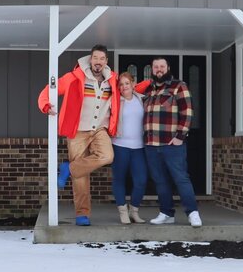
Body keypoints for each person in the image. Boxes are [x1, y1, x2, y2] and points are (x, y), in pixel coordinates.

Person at [37, 44, 119, 227]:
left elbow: (131, 86)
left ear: (106, 61)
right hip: (78, 130)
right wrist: (45, 105)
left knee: (107, 156)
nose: (98, 62)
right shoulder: (75, 77)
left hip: (100, 129)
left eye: (102, 59)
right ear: (91, 59)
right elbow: (49, 90)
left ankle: (69, 168)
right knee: (81, 176)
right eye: (95, 58)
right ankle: (82, 214)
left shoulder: (113, 80)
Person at [142, 57, 202, 227]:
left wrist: (180, 136)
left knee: (181, 178)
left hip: (171, 143)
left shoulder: (178, 86)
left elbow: (187, 112)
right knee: (160, 180)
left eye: (162, 66)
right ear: (152, 69)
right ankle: (166, 213)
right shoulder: (148, 90)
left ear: (167, 68)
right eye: (155, 67)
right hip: (151, 144)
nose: (159, 69)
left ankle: (192, 213)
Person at [111, 72, 148, 224]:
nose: (124, 86)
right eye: (121, 84)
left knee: (141, 180)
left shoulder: (142, 99)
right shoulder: (116, 101)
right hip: (120, 146)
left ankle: (134, 211)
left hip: (139, 147)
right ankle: (122, 211)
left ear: (133, 84)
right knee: (119, 179)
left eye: (127, 83)